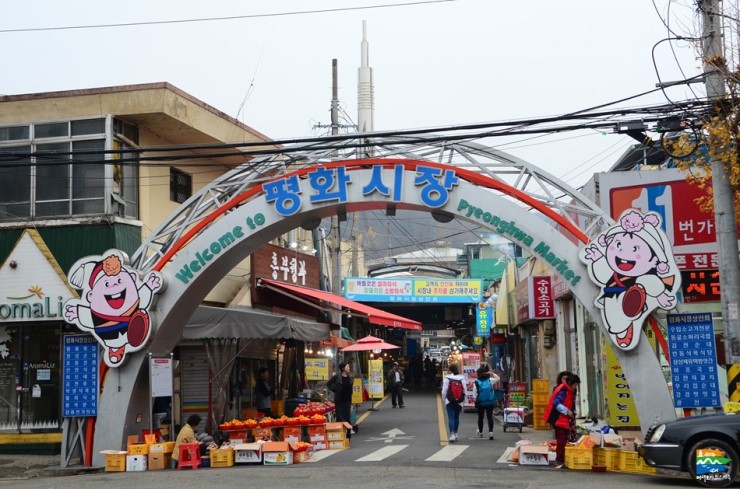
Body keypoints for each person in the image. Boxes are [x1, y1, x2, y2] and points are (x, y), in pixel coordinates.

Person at [543, 372, 581, 468]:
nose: (576, 387)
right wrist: (567, 411)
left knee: (563, 439)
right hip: (559, 418)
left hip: (563, 419)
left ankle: (562, 458)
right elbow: (556, 403)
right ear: (570, 383)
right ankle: (559, 459)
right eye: (575, 385)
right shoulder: (563, 390)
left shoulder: (569, 390)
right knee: (561, 440)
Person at [328, 362, 354, 439]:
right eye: (347, 366)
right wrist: (334, 390)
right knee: (340, 418)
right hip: (339, 401)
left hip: (347, 400)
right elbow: (328, 384)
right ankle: (340, 435)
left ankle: (348, 434)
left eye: (349, 366)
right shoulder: (337, 376)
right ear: (343, 368)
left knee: (347, 417)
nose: (349, 368)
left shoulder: (350, 377)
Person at [474, 364, 500, 440]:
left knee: (480, 417)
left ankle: (481, 432)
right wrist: (491, 373)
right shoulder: (490, 380)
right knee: (489, 416)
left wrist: (476, 400)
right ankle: (491, 433)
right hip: (490, 401)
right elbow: (498, 378)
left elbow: (475, 395)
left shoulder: (476, 382)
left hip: (481, 402)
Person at [441, 363, 465, 442]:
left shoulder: (447, 379)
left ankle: (452, 435)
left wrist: (444, 399)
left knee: (451, 417)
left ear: (450, 370)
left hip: (449, 400)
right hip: (459, 401)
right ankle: (456, 433)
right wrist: (464, 399)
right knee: (456, 417)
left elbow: (444, 391)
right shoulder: (462, 379)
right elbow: (465, 390)